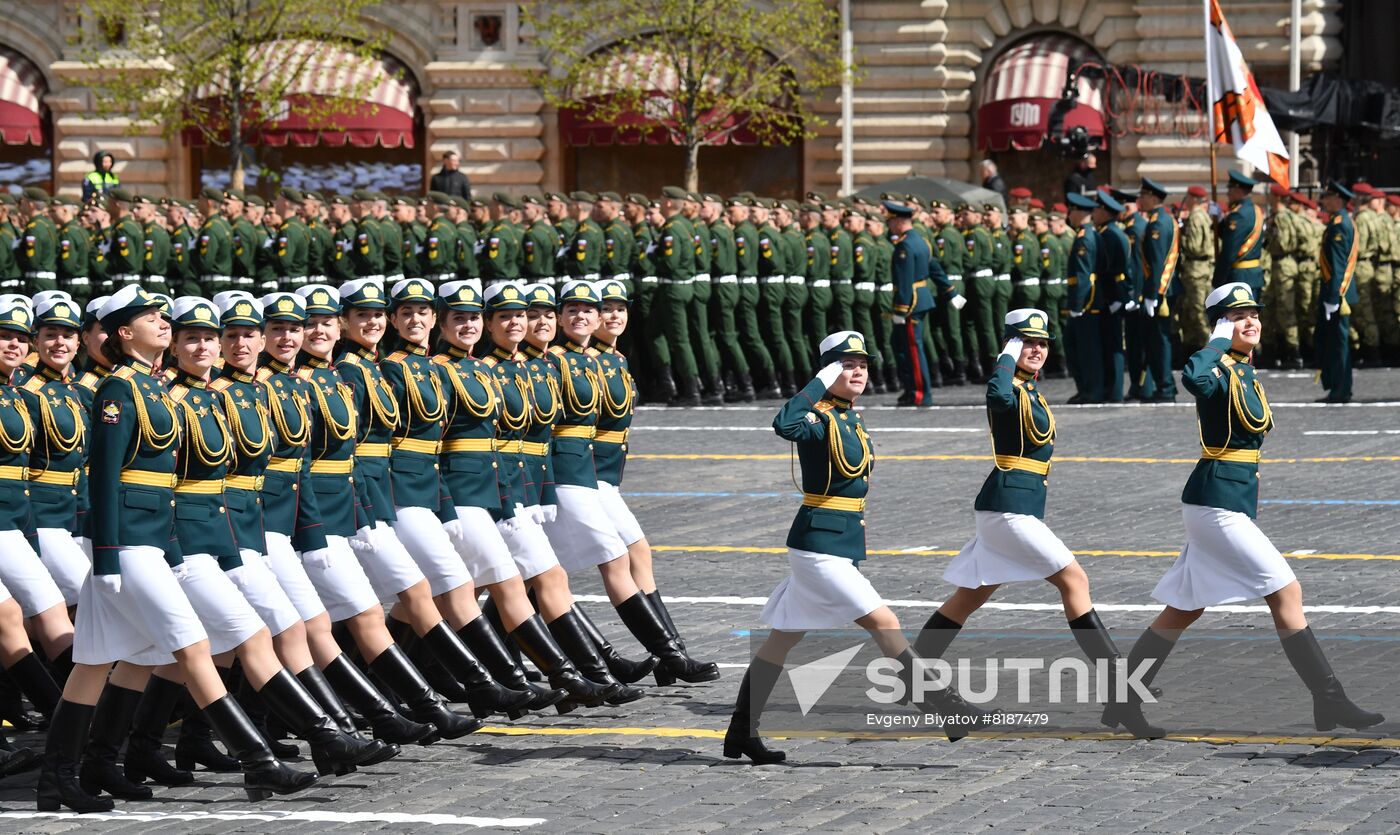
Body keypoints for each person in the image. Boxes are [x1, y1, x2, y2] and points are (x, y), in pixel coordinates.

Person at [45, 285, 317, 813]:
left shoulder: (156, 388)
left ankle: (79, 770)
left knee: (98, 663)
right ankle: (258, 763)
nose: (164, 323)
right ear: (126, 334)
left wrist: (167, 545)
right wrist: (104, 558)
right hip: (126, 544)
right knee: (191, 647)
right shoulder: (119, 391)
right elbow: (101, 476)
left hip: (150, 541)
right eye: (152, 318)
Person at [1114, 282, 1383, 737]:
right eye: (1238, 316)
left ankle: (1120, 699)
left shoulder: (1242, 369)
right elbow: (1193, 379)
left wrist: (1229, 345)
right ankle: (1330, 700)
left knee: (1183, 609)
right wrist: (1217, 341)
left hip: (1226, 500)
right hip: (1216, 504)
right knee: (1285, 591)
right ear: (1221, 324)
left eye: (1254, 313)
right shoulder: (1217, 367)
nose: (1251, 321)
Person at [723, 331, 968, 765]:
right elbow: (783, 424)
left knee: (782, 639)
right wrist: (819, 382)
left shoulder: (850, 417)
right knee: (883, 620)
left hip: (837, 544)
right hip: (817, 546)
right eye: (845, 365)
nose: (856, 372)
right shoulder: (817, 417)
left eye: (861, 365)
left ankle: (741, 731)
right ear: (827, 370)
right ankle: (944, 705)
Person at [917, 308, 1146, 732]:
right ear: (1010, 345)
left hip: (1013, 505)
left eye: (1042, 343)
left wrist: (1015, 359)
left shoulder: (1029, 388)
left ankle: (915, 674)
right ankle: (1121, 694)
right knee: (1074, 580)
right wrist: (1007, 357)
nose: (1037, 349)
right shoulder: (1006, 386)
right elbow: (998, 398)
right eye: (1027, 342)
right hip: (1008, 508)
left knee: (972, 595)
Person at [885, 200, 936, 407]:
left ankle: (920, 393)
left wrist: (900, 309)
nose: (889, 226)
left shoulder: (905, 245)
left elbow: (905, 281)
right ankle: (910, 389)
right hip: (920, 299)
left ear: (898, 222)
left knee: (913, 349)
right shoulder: (921, 240)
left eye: (891, 221)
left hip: (911, 303)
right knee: (903, 346)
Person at [1315, 182, 1359, 404]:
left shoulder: (1340, 225)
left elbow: (1338, 265)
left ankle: (1341, 389)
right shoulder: (1338, 221)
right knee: (1335, 342)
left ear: (1338, 199)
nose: (1323, 201)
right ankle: (1338, 387)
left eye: (1327, 197)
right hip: (1336, 293)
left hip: (1338, 295)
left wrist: (1332, 298)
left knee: (1339, 343)